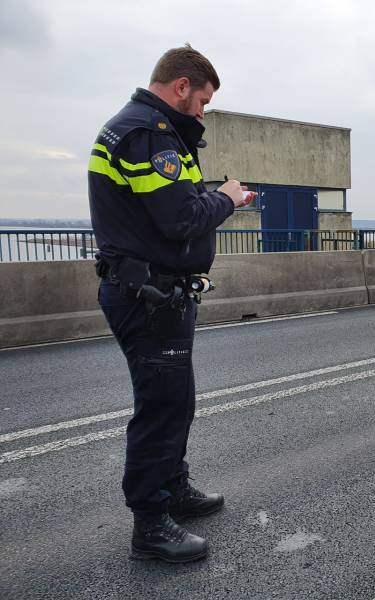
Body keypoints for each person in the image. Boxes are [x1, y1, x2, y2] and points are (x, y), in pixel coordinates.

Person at [88, 44, 254, 563]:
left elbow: (173, 209)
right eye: (202, 99)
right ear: (181, 86)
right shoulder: (146, 134)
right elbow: (179, 217)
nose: (203, 111)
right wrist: (227, 197)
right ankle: (151, 525)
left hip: (158, 292)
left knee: (176, 400)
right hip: (148, 295)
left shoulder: (150, 131)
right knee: (161, 407)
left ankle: (173, 491)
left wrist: (214, 201)